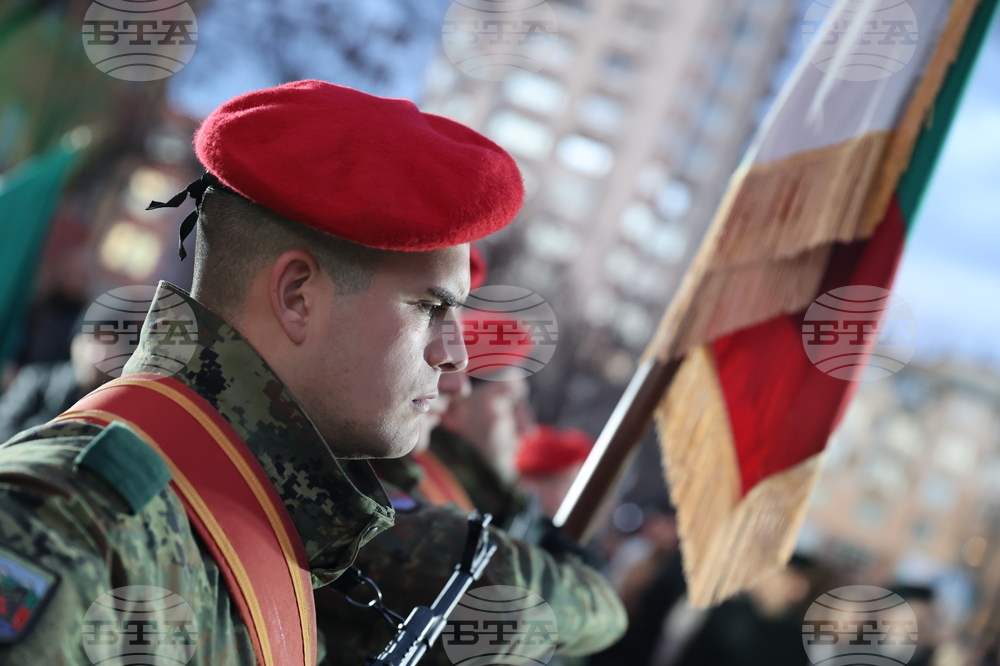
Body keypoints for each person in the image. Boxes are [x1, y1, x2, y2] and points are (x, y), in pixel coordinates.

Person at [0, 80, 524, 665]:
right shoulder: (65, 530)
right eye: (431, 308)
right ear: (297, 296)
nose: (456, 359)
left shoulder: (280, 526)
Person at [314, 266, 628, 665]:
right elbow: (512, 596)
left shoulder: (450, 489)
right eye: (509, 402)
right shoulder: (388, 486)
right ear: (456, 409)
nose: (526, 425)